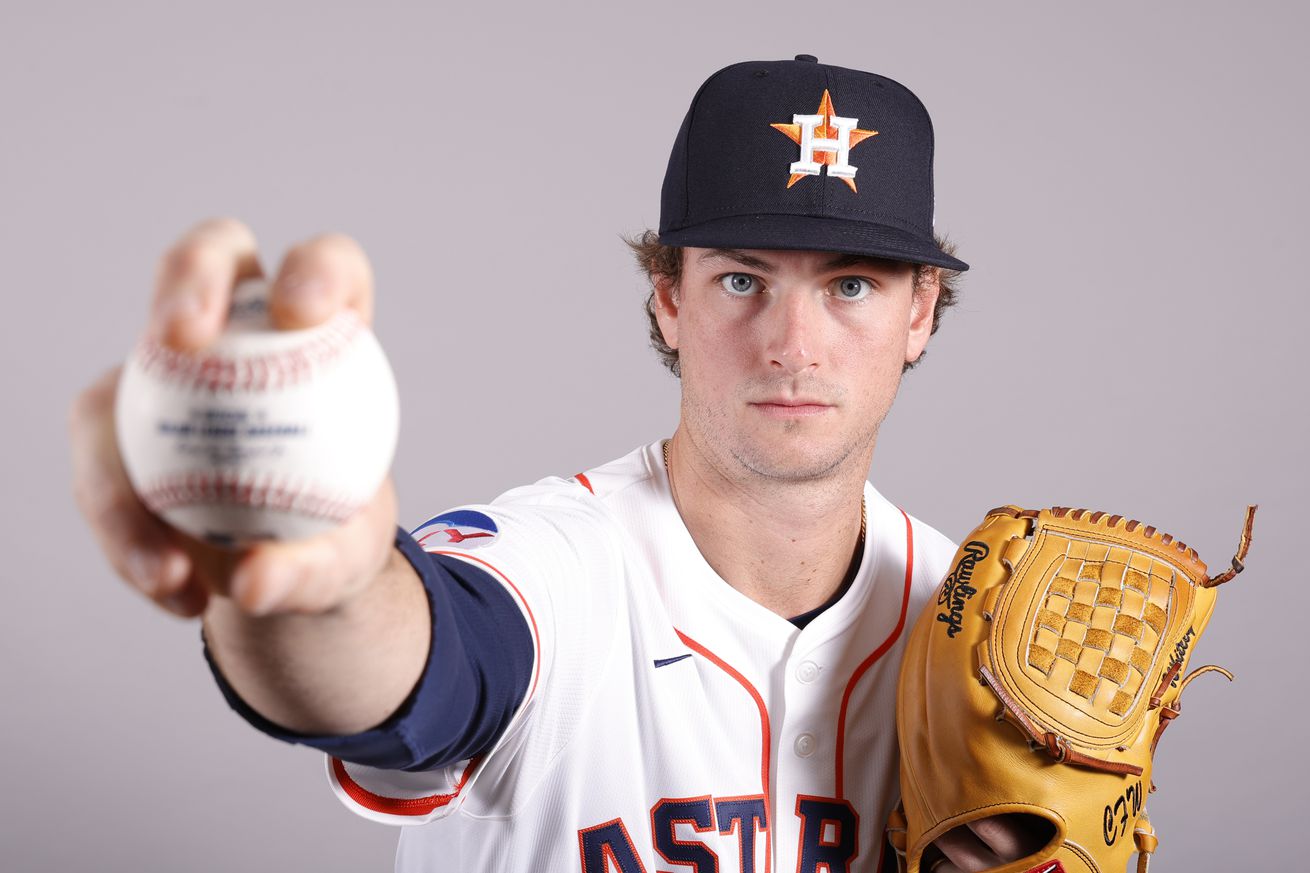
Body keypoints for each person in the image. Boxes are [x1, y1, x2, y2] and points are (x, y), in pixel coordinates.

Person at [71, 56, 1037, 872]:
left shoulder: (985, 638)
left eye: (851, 286)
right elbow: (417, 678)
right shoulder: (549, 569)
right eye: (741, 279)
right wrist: (313, 579)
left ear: (918, 313)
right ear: (668, 299)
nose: (792, 342)